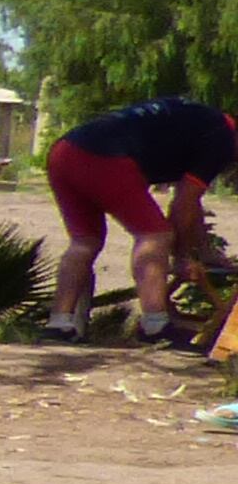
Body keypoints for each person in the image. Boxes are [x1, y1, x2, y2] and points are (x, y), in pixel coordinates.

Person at [45, 93, 236, 342]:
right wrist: (182, 257)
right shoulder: (222, 139)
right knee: (155, 235)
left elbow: (191, 202)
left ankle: (59, 323)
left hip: (64, 152)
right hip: (105, 158)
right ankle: (154, 325)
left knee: (85, 242)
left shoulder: (202, 122)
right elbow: (183, 204)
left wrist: (203, 249)